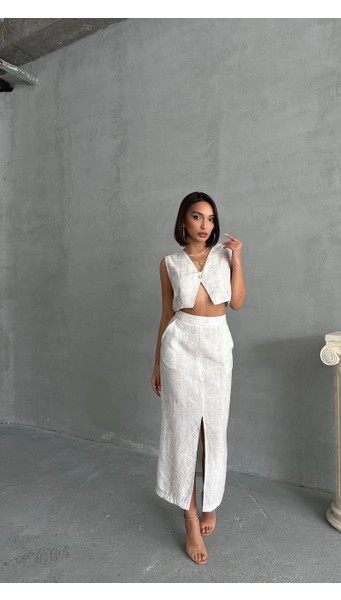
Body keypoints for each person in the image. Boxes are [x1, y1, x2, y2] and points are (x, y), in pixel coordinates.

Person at [151, 191, 246, 565]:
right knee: (182, 432)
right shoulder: (169, 264)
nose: (205, 225)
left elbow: (237, 302)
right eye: (197, 217)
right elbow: (165, 315)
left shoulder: (225, 256)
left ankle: (211, 502)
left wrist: (239, 261)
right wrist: (156, 364)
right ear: (183, 221)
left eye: (210, 218)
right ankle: (190, 518)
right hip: (180, 346)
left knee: (212, 431)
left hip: (217, 345)